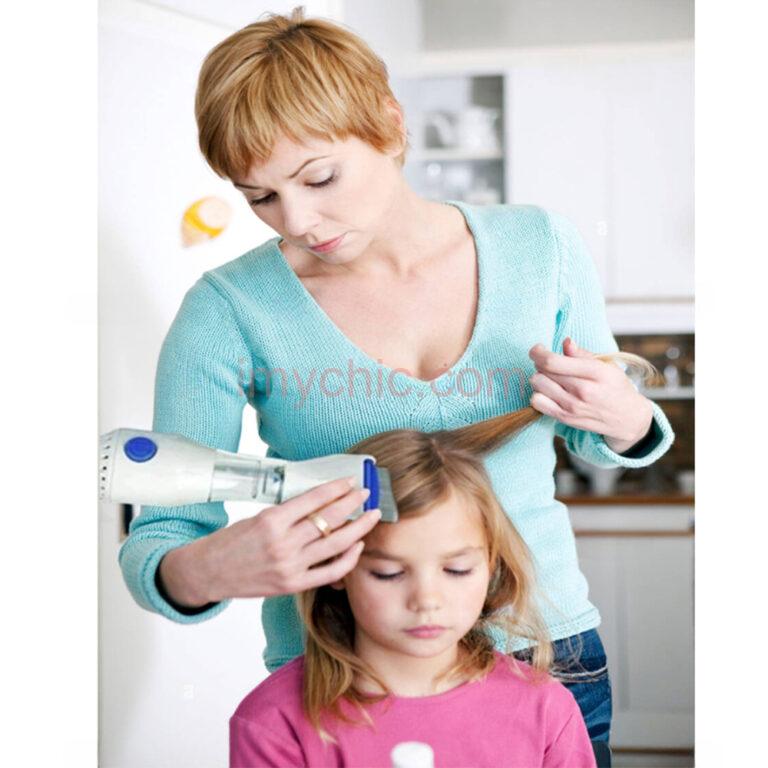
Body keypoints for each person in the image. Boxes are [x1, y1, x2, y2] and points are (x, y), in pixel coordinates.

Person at [118, 8, 675, 743]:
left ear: (389, 122)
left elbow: (608, 438)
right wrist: (211, 569)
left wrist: (625, 418)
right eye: (261, 197)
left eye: (320, 177)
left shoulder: (541, 247)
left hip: (543, 652)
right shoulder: (228, 310)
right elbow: (159, 538)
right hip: (340, 675)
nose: (298, 219)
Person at [230, 399, 608, 767]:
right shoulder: (274, 722)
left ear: (491, 565)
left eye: (457, 570)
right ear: (338, 565)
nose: (427, 600)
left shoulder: (546, 709)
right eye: (389, 573)